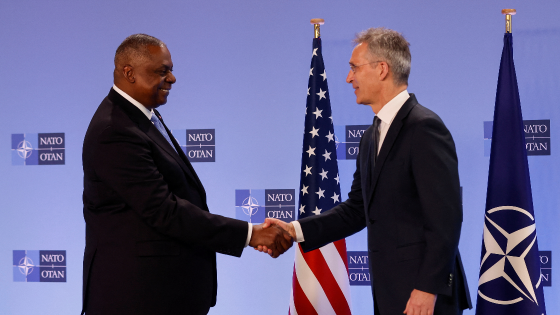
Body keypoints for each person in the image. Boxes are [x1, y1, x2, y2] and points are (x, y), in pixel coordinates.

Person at [262, 28, 472, 315]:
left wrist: (427, 289)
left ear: (382, 69)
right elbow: (357, 209)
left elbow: (445, 219)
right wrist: (296, 230)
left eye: (354, 68)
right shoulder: (371, 135)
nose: (349, 78)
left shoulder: (424, 128)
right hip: (390, 293)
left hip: (425, 297)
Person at [81, 34, 292, 315]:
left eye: (170, 69)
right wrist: (250, 234)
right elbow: (164, 211)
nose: (172, 78)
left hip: (162, 295)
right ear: (128, 73)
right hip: (138, 299)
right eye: (162, 71)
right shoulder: (114, 130)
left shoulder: (138, 117)